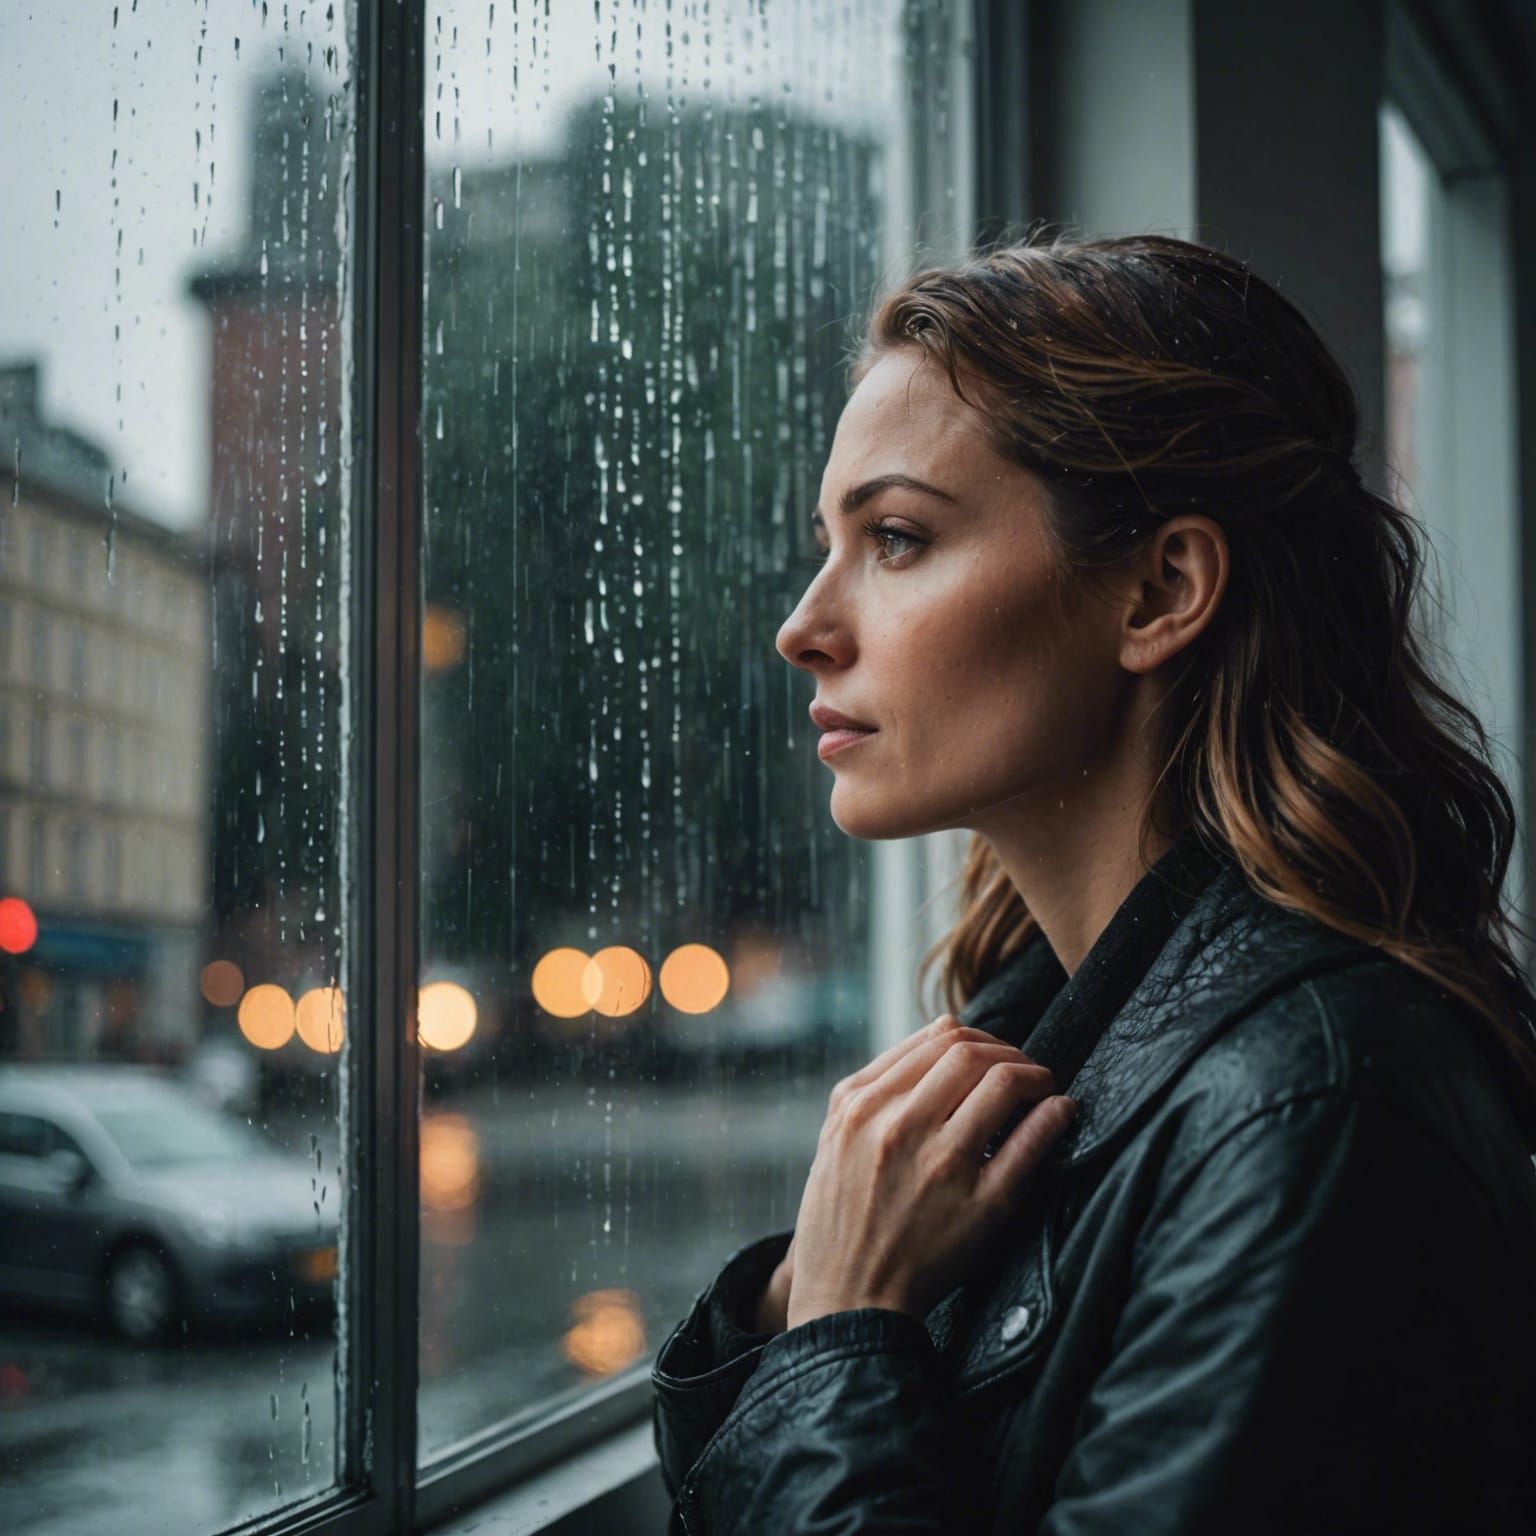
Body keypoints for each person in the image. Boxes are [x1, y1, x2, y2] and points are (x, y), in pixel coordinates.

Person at [649, 232, 1536, 1534]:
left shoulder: (1310, 1108)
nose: (805, 625)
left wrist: (842, 1333)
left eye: (895, 538)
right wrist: (803, 1313)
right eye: (829, 543)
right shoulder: (1067, 1048)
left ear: (1160, 589)